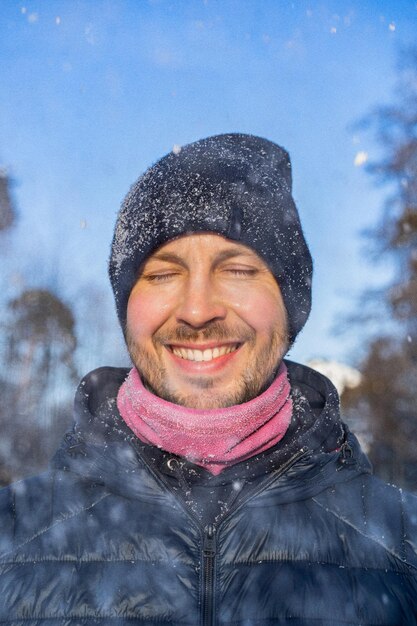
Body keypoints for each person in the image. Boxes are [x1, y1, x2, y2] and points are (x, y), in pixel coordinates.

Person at [0, 133, 416, 625]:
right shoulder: (13, 532)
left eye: (238, 269)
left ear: (290, 305)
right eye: (161, 274)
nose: (197, 310)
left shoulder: (402, 545)